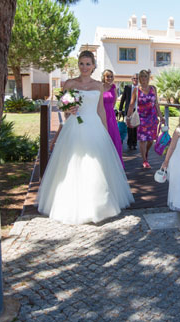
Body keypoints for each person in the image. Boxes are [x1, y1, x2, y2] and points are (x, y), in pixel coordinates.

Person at [37, 51, 134, 224]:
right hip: (76, 126)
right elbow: (63, 105)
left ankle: (100, 204)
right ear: (78, 65)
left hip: (94, 126)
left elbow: (101, 110)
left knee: (96, 165)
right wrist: (69, 109)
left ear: (93, 66)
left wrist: (105, 132)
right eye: (81, 63)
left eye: (88, 64)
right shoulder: (70, 83)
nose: (84, 67)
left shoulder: (98, 85)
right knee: (73, 163)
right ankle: (73, 205)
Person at [128, 69, 165, 168]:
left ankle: (145, 152)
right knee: (142, 140)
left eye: (145, 77)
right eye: (142, 77)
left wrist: (161, 117)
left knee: (151, 140)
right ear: (139, 78)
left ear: (148, 78)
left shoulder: (153, 88)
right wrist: (128, 117)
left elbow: (156, 103)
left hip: (152, 117)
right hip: (141, 118)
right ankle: (144, 160)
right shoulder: (136, 89)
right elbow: (131, 105)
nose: (144, 79)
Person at [102, 69, 123, 166]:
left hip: (110, 114)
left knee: (112, 135)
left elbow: (115, 100)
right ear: (104, 77)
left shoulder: (113, 87)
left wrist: (110, 109)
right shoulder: (100, 87)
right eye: (107, 76)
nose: (109, 78)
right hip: (101, 113)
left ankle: (112, 161)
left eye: (111, 76)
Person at [119, 74, 139, 150]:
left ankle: (134, 143)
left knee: (135, 128)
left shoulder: (140, 89)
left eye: (137, 78)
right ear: (131, 79)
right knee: (129, 127)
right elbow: (123, 99)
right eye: (134, 78)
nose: (135, 80)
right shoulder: (127, 88)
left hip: (137, 110)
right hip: (128, 110)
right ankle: (129, 143)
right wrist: (120, 109)